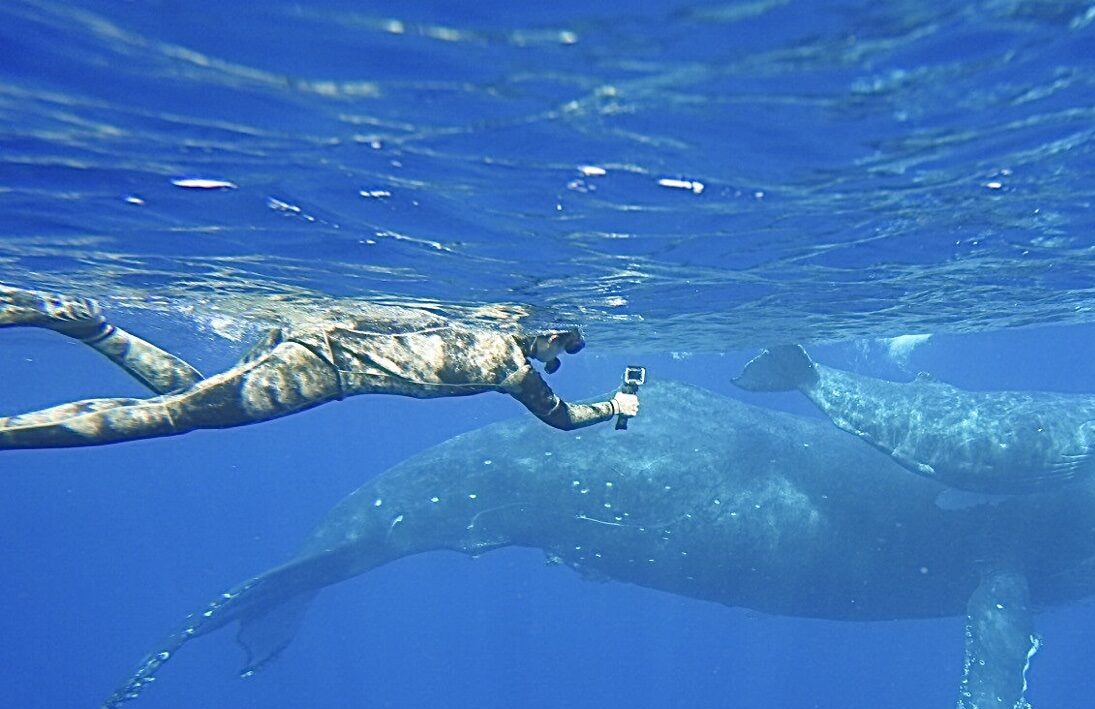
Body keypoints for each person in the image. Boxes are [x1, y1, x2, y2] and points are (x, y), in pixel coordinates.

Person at [0, 285, 639, 449]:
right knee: (172, 417)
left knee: (195, 399)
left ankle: (89, 325)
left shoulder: (471, 321)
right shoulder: (509, 366)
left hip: (310, 341)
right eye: (564, 351)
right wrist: (615, 406)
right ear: (549, 336)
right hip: (321, 370)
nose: (557, 361)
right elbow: (560, 419)